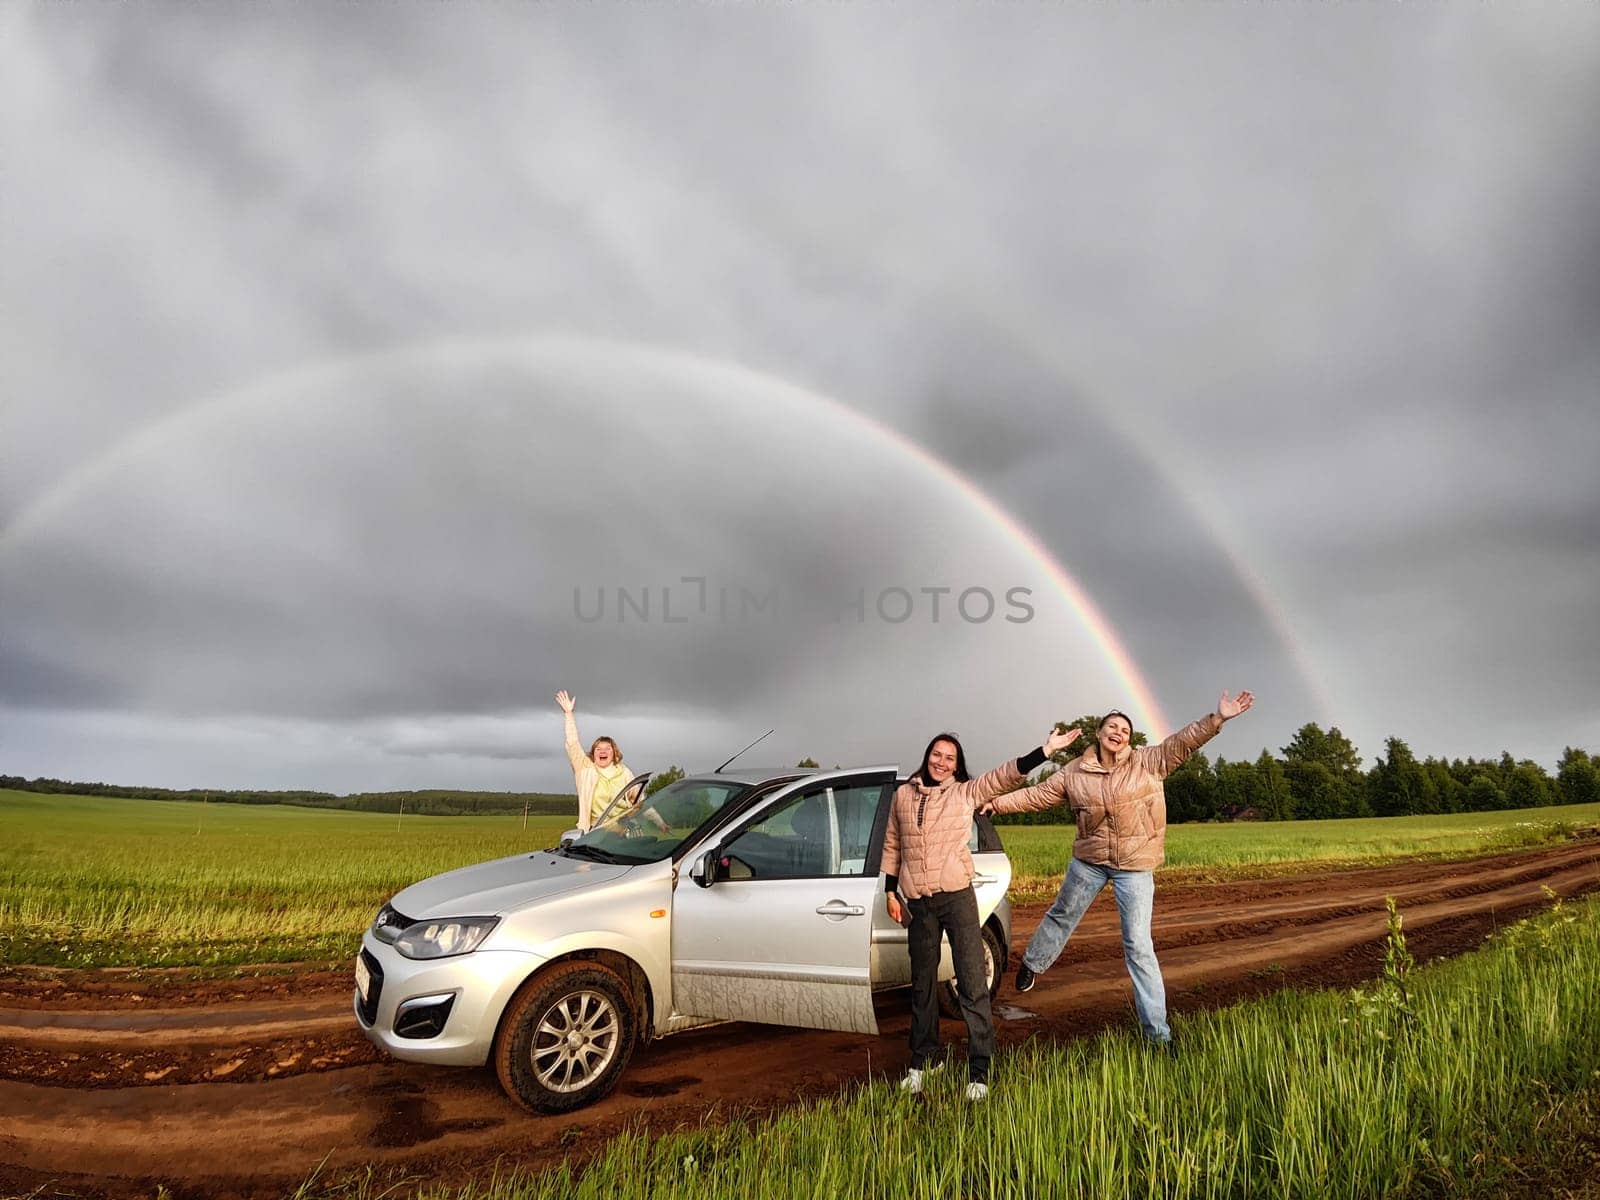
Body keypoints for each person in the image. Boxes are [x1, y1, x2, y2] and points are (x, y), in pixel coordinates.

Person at [984, 691, 1255, 1050]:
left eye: (1125, 729)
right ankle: (1033, 963)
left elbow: (1183, 742)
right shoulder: (1074, 773)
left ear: (1130, 738)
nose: (1119, 732)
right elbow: (1036, 796)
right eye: (1112, 726)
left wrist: (1216, 720)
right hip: (1089, 862)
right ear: (1098, 733)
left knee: (1138, 946)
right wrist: (996, 805)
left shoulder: (1149, 762)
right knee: (1062, 913)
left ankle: (1158, 1035)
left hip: (1135, 866)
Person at [884, 723, 1082, 1102]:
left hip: (957, 898)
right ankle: (922, 1062)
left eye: (950, 758)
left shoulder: (964, 792)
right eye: (936, 755)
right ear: (927, 757)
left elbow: (1004, 775)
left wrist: (1045, 750)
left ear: (957, 766)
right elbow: (893, 845)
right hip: (919, 902)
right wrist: (890, 892)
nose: (941, 762)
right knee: (923, 985)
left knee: (972, 984)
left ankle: (979, 1070)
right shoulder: (902, 797)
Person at [555, 690, 636, 832]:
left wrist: (660, 824)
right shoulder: (585, 770)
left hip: (624, 832)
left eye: (607, 748)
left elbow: (641, 801)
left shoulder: (624, 772)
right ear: (593, 754)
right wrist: (568, 714)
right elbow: (572, 743)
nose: (603, 751)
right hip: (594, 832)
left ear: (614, 753)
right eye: (598, 749)